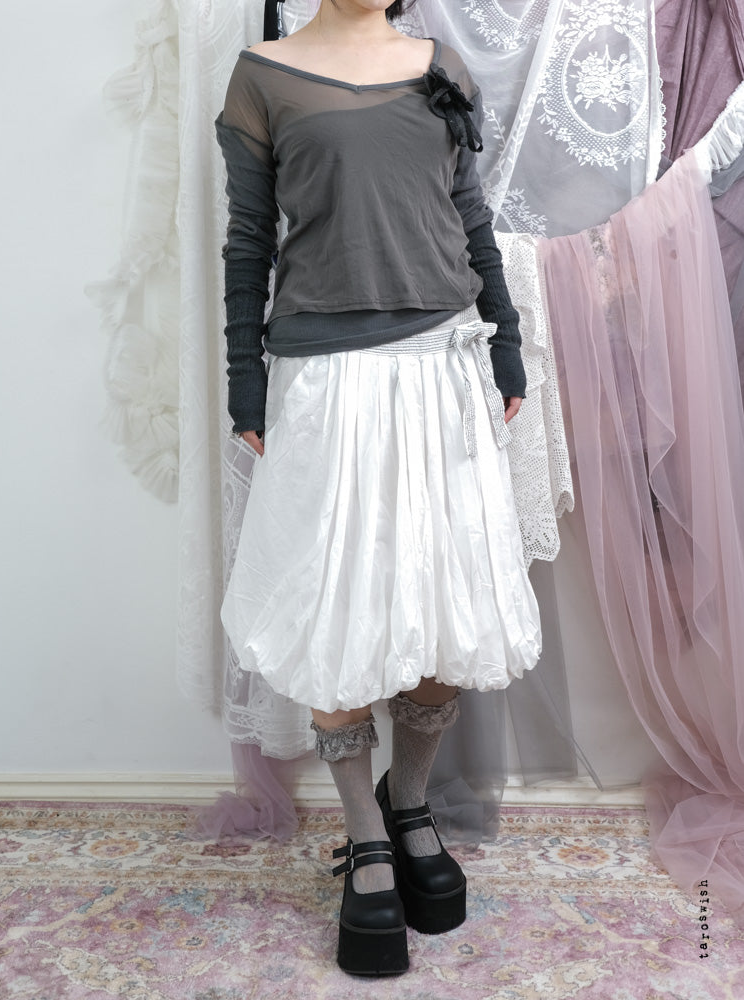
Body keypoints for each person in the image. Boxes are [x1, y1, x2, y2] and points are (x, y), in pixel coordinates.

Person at [216, 0, 541, 977]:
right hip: (323, 380)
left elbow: (470, 212)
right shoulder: (262, 76)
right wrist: (244, 376)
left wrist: (506, 340)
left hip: (442, 368)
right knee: (340, 613)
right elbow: (248, 237)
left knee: (444, 605)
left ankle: (410, 802)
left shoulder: (443, 67)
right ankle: (364, 835)